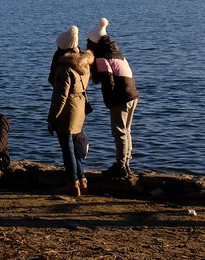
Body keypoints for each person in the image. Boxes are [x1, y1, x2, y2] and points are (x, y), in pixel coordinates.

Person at [86, 18, 140, 178]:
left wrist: (109, 102)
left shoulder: (102, 58)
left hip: (120, 97)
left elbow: (107, 82)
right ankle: (126, 163)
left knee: (119, 132)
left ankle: (121, 167)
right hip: (132, 95)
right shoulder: (118, 54)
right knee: (126, 131)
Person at [47, 25, 94, 196]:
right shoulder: (84, 64)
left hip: (67, 113)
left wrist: (51, 119)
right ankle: (82, 180)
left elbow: (60, 97)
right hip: (79, 110)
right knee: (75, 150)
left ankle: (72, 184)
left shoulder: (64, 68)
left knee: (68, 152)